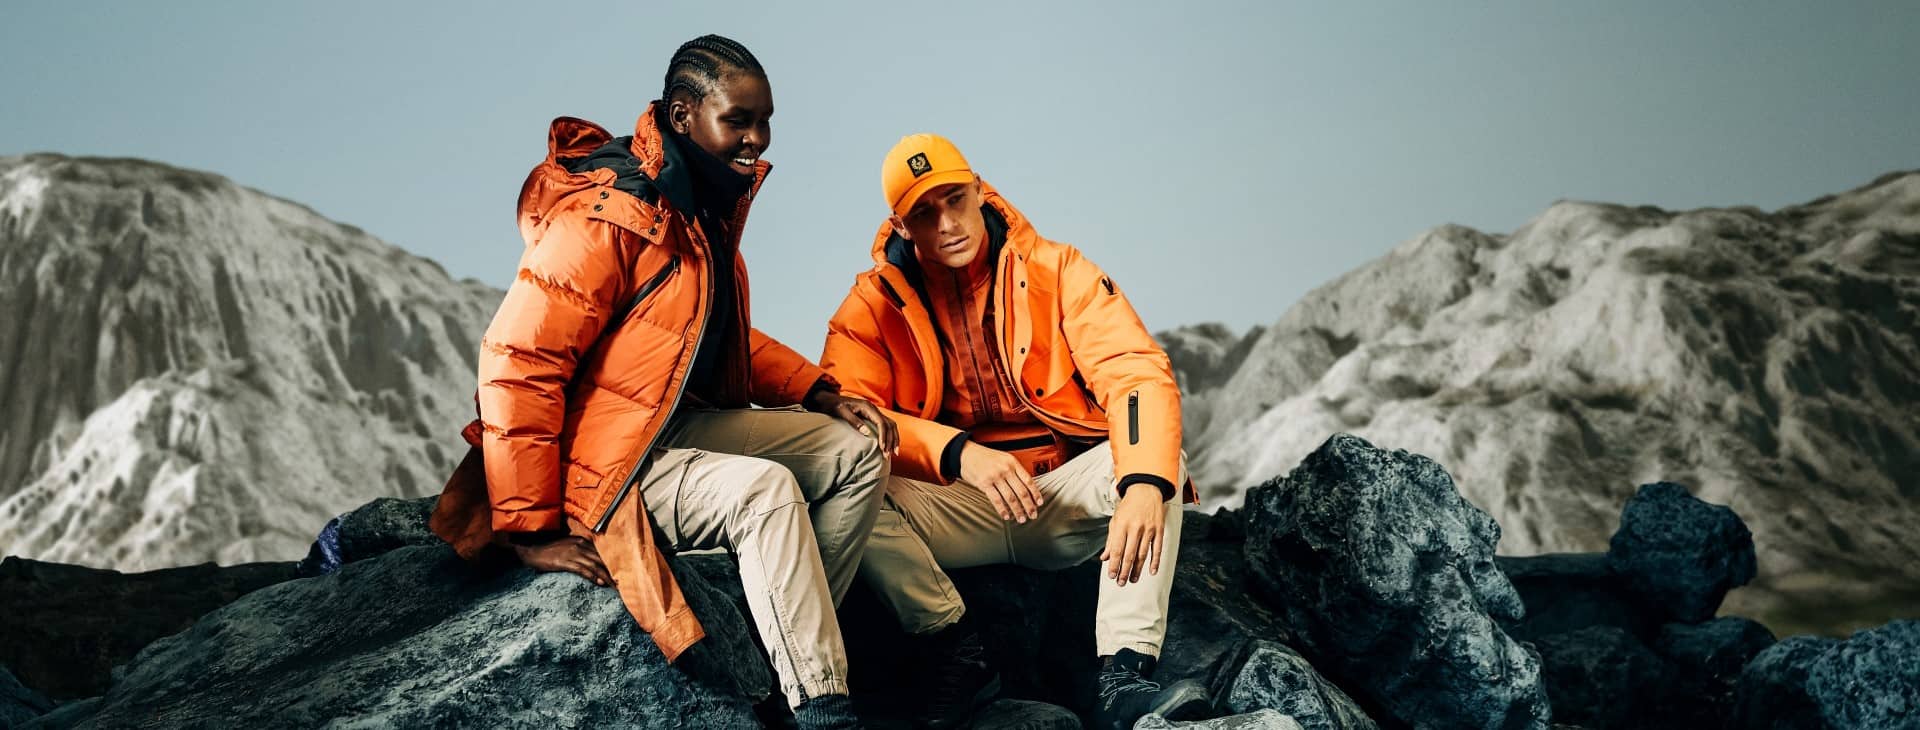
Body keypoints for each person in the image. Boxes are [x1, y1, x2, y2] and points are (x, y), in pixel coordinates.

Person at [433, 35, 895, 730]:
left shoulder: (696, 207)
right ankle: (821, 706)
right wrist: (529, 529)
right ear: (683, 116)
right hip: (606, 463)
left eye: (764, 121)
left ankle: (776, 640)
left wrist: (819, 392)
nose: (757, 139)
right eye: (738, 120)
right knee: (764, 491)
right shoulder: (607, 216)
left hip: (667, 429)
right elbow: (516, 359)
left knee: (856, 452)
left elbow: (705, 332)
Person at [820, 134, 1210, 729]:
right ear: (901, 228)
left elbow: (1134, 373)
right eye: (924, 213)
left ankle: (1123, 677)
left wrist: (1140, 484)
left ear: (981, 191)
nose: (947, 223)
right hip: (958, 507)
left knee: (1157, 466)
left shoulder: (1060, 270)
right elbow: (848, 415)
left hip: (1058, 498)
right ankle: (958, 652)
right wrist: (958, 455)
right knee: (843, 488)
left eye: (954, 199)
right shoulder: (869, 308)